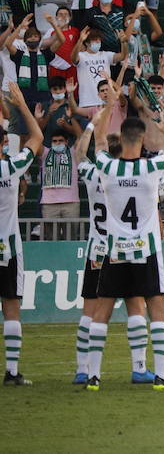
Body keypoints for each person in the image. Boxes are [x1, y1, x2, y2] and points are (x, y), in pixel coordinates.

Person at [84, 89, 164, 392]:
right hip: (146, 249)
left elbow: (100, 143)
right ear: (142, 139)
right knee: (156, 309)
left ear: (123, 137)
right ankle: (162, 375)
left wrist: (106, 109)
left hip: (114, 250)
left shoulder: (107, 166)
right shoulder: (151, 167)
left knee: (101, 311)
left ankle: (93, 376)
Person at [0, 84, 40, 386]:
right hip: (8, 249)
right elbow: (37, 137)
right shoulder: (11, 167)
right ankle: (12, 372)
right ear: (3, 143)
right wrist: (22, 105)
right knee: (11, 307)